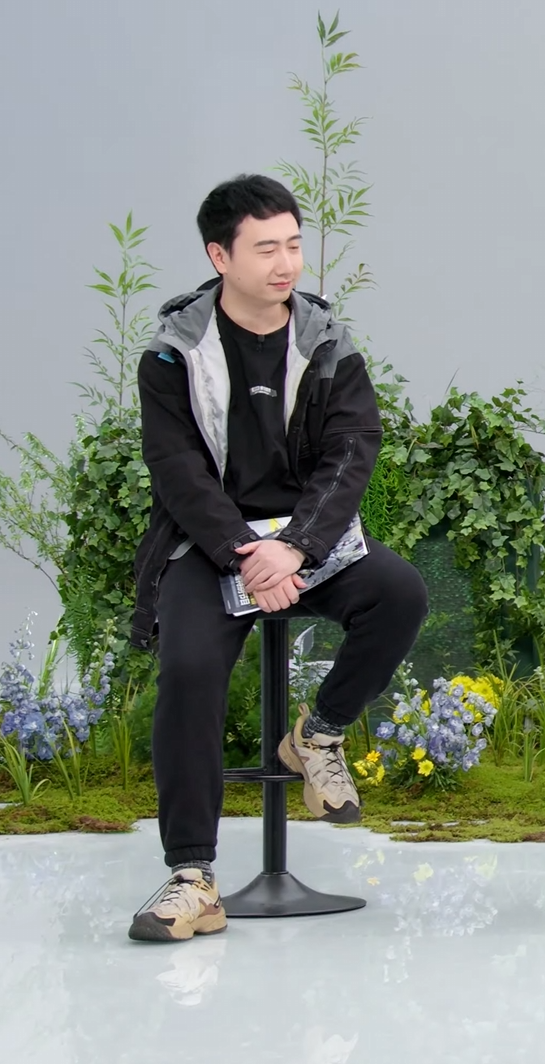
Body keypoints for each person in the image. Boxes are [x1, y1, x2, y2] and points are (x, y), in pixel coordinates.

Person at [126, 174, 428, 941]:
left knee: (399, 594)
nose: (286, 263)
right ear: (219, 256)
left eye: (293, 244)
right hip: (210, 546)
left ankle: (317, 734)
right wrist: (245, 553)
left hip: (307, 541)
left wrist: (294, 547)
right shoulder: (173, 354)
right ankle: (192, 877)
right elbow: (176, 471)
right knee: (188, 670)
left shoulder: (326, 342)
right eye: (266, 248)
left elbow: (353, 449)